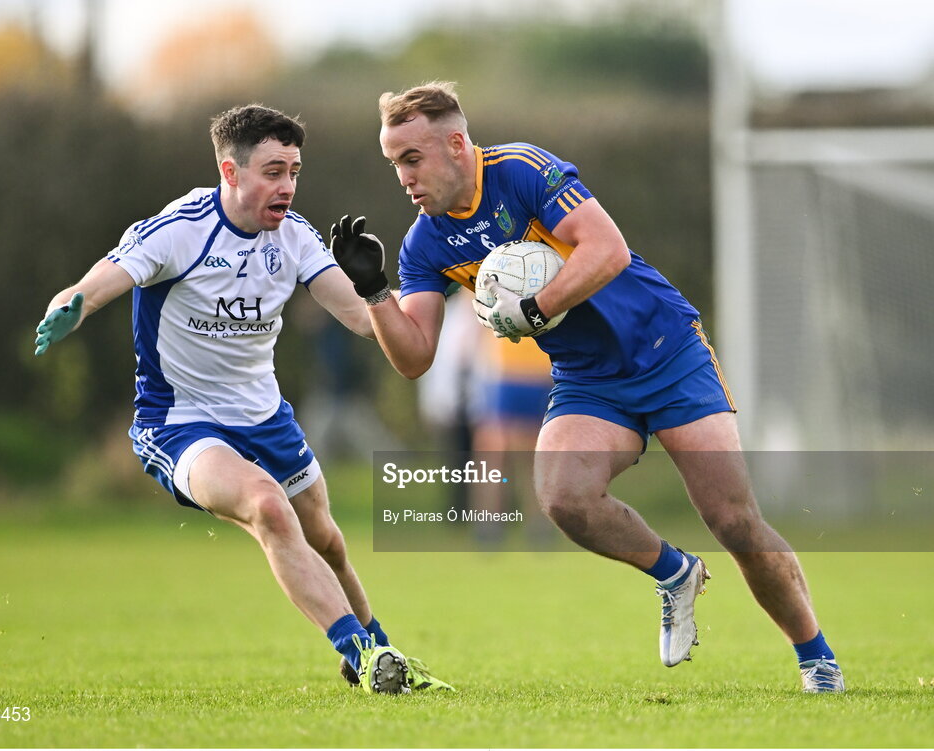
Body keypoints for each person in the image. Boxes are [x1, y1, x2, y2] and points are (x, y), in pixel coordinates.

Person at [329, 82, 844, 693]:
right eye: (394, 165)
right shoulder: (425, 244)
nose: (404, 178)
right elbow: (414, 356)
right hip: (588, 379)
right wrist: (375, 291)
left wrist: (536, 308)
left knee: (734, 520)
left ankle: (817, 657)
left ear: (457, 145)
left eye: (411, 159)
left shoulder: (521, 170)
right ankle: (675, 573)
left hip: (666, 349)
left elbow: (608, 249)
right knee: (563, 497)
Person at [33, 103, 453, 695]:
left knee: (326, 538)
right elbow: (101, 281)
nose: (287, 187)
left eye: (295, 172)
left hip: (265, 416)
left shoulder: (297, 238)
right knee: (267, 506)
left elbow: (365, 321)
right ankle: (361, 654)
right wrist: (70, 304)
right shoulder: (180, 230)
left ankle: (381, 650)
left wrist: (378, 288)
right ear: (230, 173)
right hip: (180, 424)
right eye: (273, 172)